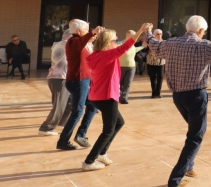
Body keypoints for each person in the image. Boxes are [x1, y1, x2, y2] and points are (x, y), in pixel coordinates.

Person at [142, 16, 211, 187]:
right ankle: (175, 178)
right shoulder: (203, 46)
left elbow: (154, 45)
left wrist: (147, 31)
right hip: (196, 96)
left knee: (194, 131)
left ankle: (189, 166)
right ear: (201, 31)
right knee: (195, 136)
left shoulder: (171, 43)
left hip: (178, 96)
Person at [82, 24, 152, 171]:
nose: (117, 42)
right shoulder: (107, 55)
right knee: (108, 129)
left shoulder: (94, 55)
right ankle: (89, 161)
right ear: (108, 42)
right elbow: (127, 45)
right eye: (115, 40)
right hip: (106, 97)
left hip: (97, 96)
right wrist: (140, 30)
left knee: (119, 122)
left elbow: (122, 46)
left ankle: (101, 153)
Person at [57, 20, 102, 151]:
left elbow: (87, 46)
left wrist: (94, 36)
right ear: (79, 31)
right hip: (78, 81)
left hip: (83, 81)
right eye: (86, 30)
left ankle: (81, 135)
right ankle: (63, 141)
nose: (88, 33)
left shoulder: (80, 45)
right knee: (77, 112)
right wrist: (93, 32)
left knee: (93, 106)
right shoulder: (73, 41)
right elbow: (82, 42)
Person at [39, 30, 73, 136]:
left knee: (70, 103)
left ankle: (61, 123)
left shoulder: (58, 44)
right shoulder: (64, 44)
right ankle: (46, 128)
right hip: (59, 78)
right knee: (59, 105)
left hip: (62, 78)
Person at [118, 30, 142, 104]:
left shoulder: (132, 45)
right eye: (134, 35)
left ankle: (124, 98)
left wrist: (142, 46)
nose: (135, 37)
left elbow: (134, 50)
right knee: (120, 83)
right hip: (121, 66)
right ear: (128, 35)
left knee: (128, 83)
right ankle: (118, 97)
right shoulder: (120, 44)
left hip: (131, 66)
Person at [146, 28, 165, 99]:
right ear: (154, 35)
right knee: (152, 78)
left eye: (160, 34)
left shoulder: (164, 42)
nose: (159, 35)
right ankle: (154, 93)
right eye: (157, 34)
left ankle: (158, 93)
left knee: (160, 78)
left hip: (161, 63)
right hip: (151, 63)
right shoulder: (150, 42)